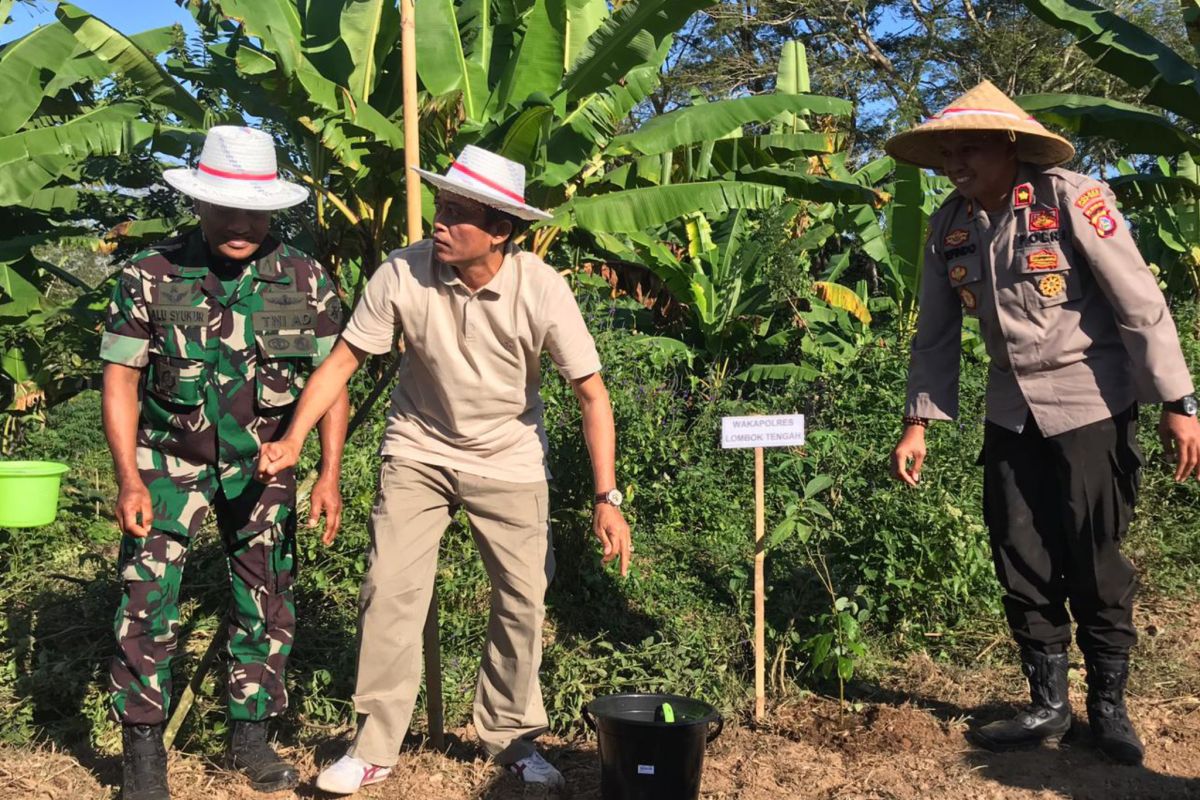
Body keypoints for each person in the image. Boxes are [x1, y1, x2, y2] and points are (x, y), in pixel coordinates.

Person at [255, 145, 633, 794]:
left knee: (522, 601)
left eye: (459, 213)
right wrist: (294, 439)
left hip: (511, 461)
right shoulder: (401, 274)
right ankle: (373, 747)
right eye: (441, 204)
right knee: (388, 592)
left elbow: (592, 394)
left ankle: (511, 740)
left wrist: (608, 495)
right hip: (418, 450)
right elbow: (342, 361)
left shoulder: (541, 288)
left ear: (501, 231)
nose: (440, 220)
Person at [886, 80, 1200, 765]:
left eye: (967, 148)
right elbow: (935, 335)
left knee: (1095, 556)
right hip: (1011, 411)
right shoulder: (952, 224)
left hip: (1092, 403)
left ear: (1009, 146)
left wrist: (1179, 402)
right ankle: (1047, 706)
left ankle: (1109, 709)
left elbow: (1140, 301)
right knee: (1019, 552)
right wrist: (919, 423)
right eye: (945, 152)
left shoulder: (1072, 199)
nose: (953, 162)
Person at [100, 125, 349, 799]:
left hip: (265, 464)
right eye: (226, 208)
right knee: (146, 601)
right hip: (167, 462)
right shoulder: (150, 275)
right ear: (200, 204)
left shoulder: (302, 276)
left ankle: (251, 738)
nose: (241, 223)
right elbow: (121, 378)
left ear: (272, 210)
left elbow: (333, 378)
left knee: (266, 598)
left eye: (254, 211)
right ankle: (144, 757)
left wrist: (327, 473)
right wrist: (128, 476)